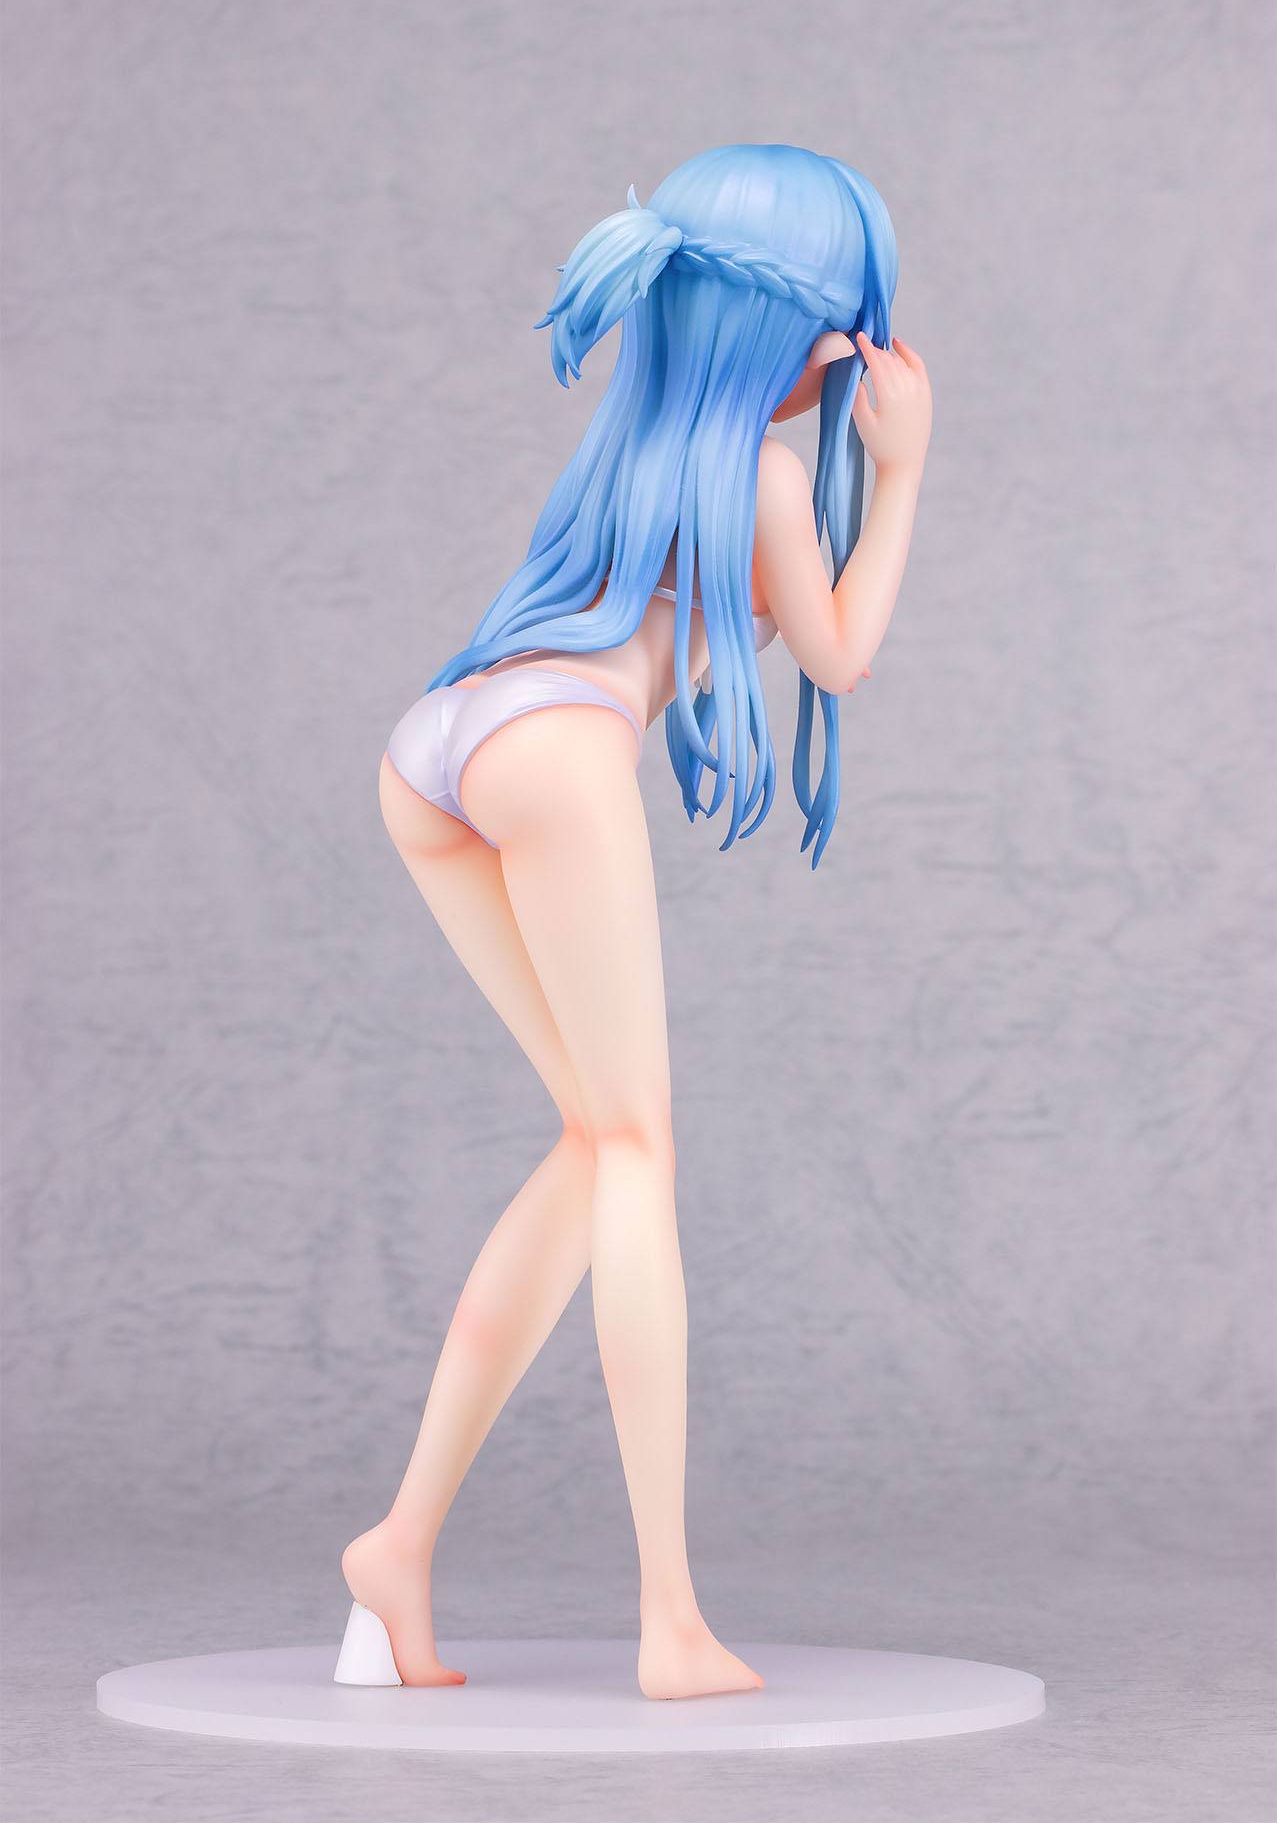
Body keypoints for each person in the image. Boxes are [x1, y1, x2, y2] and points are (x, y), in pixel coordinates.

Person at [334, 144, 933, 1700]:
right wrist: (905, 471)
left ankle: (396, 1546)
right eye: (840, 336)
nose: (845, 363)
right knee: (641, 1154)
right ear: (799, 333)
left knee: (591, 1144)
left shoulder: (633, 435)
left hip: (437, 744)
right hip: (552, 749)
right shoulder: (769, 475)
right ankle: (669, 1620)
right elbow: (840, 652)